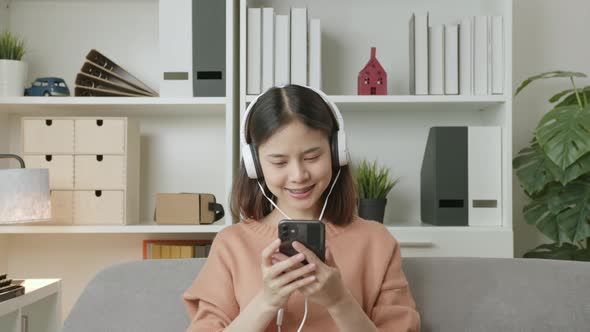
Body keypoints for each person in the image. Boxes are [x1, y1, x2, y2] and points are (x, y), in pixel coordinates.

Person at [183, 84, 420, 331]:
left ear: (337, 153)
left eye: (312, 157)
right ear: (255, 165)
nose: (298, 175)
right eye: (279, 161)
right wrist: (267, 301)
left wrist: (339, 301)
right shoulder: (231, 244)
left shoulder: (376, 241)